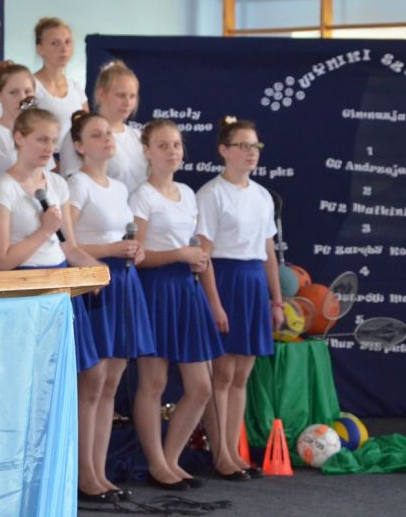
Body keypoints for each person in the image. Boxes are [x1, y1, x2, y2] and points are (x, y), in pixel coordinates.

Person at [0, 107, 107, 503]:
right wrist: (44, 231)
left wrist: (97, 271)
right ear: (19, 138)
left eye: (53, 141)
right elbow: (2, 258)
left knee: (81, 379)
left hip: (60, 291)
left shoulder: (56, 183)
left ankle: (77, 473)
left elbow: (69, 247)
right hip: (25, 293)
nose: (47, 148)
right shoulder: (2, 187)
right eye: (40, 139)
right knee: (29, 388)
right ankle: (22, 480)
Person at [130, 119, 228, 487]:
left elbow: (195, 247)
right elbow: (137, 256)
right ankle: (156, 464)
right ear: (146, 151)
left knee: (201, 386)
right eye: (162, 145)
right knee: (153, 382)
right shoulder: (141, 196)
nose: (172, 151)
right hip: (155, 289)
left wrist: (198, 262)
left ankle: (170, 458)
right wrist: (179, 255)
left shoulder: (187, 193)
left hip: (186, 291)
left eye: (176, 145)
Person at [65, 110, 153, 502]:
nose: (106, 139)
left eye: (108, 134)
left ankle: (99, 473)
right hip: (95, 282)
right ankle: (83, 474)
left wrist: (133, 250)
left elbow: (123, 237)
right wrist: (111, 250)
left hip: (123, 281)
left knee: (111, 384)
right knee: (93, 382)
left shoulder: (118, 187)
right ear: (79, 145)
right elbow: (68, 244)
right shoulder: (76, 184)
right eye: (96, 135)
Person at [196, 116, 282, 480]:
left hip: (253, 284)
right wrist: (214, 303)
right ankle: (220, 455)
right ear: (224, 150)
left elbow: (268, 252)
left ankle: (234, 451)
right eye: (242, 146)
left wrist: (276, 300)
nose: (251, 152)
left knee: (241, 375)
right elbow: (204, 255)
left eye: (255, 146)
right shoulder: (211, 194)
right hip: (224, 280)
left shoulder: (262, 196)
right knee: (222, 374)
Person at [59, 60, 147, 193]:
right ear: (101, 94)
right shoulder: (79, 134)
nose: (128, 102)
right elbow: (72, 186)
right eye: (121, 95)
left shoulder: (139, 137)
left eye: (132, 96)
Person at [0, 60, 55, 187]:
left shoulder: (41, 133)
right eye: (13, 92)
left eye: (27, 92)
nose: (22, 98)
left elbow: (48, 178)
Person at [32, 17, 88, 147]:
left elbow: (87, 128)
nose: (64, 49)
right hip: (45, 157)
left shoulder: (76, 87)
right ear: (40, 49)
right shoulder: (31, 87)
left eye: (68, 42)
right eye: (55, 43)